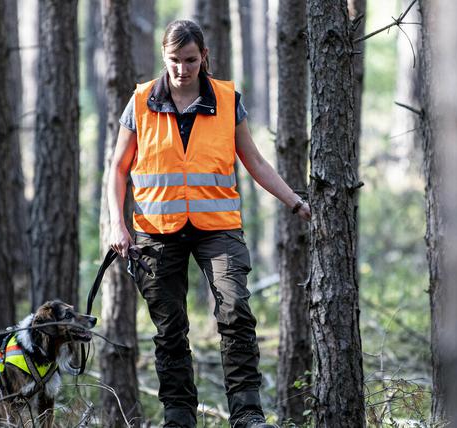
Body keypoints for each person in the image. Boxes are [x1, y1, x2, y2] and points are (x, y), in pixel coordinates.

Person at [106, 19, 311, 428]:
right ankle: (179, 415)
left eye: (190, 60)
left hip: (217, 224)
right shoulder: (142, 101)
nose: (182, 69)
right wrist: (117, 224)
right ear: (164, 57)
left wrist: (294, 201)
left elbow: (253, 159)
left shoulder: (226, 100)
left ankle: (247, 413)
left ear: (204, 58)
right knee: (170, 327)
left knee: (235, 310)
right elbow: (117, 169)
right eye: (174, 60)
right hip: (156, 229)